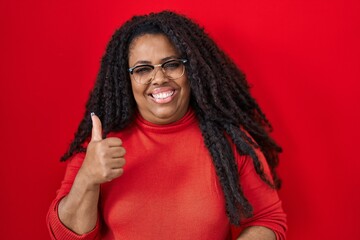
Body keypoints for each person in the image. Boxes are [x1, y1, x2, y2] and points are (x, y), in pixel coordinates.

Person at [46, 11, 287, 240]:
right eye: (142, 69)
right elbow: (66, 236)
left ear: (191, 68)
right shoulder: (100, 144)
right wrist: (87, 178)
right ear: (126, 78)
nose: (159, 78)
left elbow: (268, 219)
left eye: (172, 64)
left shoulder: (230, 140)